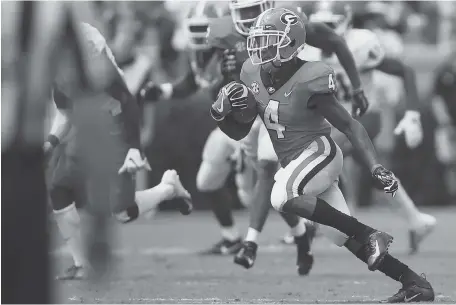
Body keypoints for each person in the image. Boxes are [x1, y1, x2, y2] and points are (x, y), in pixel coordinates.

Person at [211, 7, 434, 303]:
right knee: (341, 237)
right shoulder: (251, 72)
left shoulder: (310, 76)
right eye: (260, 39)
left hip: (320, 154)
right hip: (297, 164)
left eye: (269, 40)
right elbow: (240, 132)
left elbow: (350, 125)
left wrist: (375, 166)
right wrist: (220, 113)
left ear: (289, 44)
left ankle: (369, 232)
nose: (260, 47)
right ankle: (414, 283)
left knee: (282, 195)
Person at [47, 22, 192, 280]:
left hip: (116, 131)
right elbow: (65, 113)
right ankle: (82, 264)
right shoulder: (59, 72)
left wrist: (134, 148)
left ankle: (168, 188)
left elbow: (128, 102)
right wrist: (51, 141)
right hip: (88, 130)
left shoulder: (98, 69)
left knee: (122, 211)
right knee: (58, 188)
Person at [291, 1, 436, 255]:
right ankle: (415, 219)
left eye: (331, 25)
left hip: (364, 115)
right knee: (373, 172)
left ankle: (313, 225)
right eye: (321, 25)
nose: (326, 32)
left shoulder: (360, 44)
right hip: (333, 119)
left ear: (346, 22)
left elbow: (405, 70)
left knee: (317, 158)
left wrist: (412, 114)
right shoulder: (308, 50)